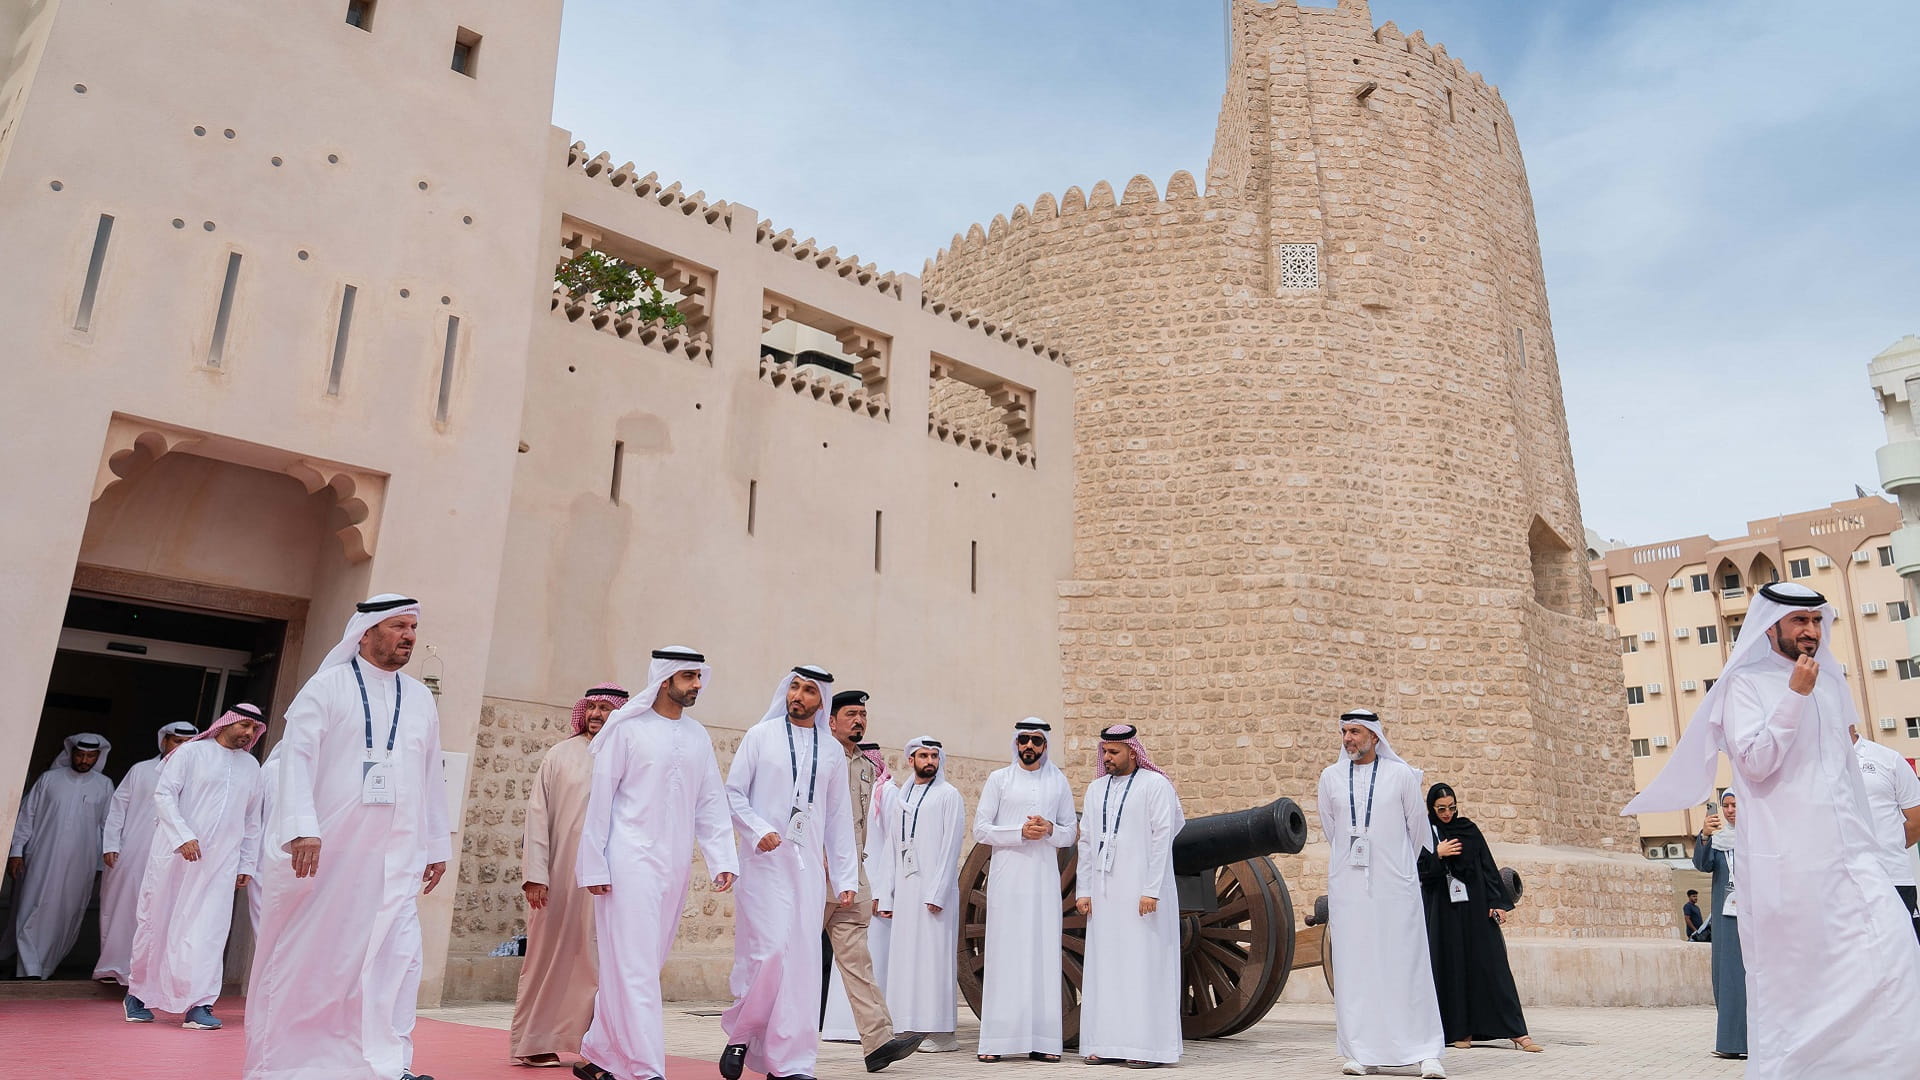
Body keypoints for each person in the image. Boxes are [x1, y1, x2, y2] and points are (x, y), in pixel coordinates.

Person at [1626, 581, 1920, 1078]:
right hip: (1790, 863)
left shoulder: (1832, 682)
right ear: (1770, 626)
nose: (1811, 631)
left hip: (1852, 857)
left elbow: (1844, 772)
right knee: (1801, 986)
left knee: (1894, 956)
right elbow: (1755, 763)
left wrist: (1869, 842)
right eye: (1799, 621)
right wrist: (1794, 696)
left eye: (1817, 620)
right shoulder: (1744, 684)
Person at [244, 594, 452, 1080]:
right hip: (331, 855)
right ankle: (294, 1064)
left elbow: (430, 775)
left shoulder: (419, 697)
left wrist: (436, 845)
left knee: (397, 960)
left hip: (397, 858)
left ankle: (390, 1064)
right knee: (319, 960)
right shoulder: (326, 688)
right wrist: (302, 828)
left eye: (412, 628)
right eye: (398, 626)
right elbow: (295, 761)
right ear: (365, 632)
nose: (409, 637)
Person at [573, 651, 739, 1080]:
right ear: (665, 680)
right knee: (636, 967)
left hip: (673, 864)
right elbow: (601, 800)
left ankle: (600, 1053)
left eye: (699, 676)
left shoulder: (698, 735)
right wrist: (594, 865)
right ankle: (645, 1069)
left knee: (640, 965)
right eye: (689, 677)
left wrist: (722, 857)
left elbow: (710, 800)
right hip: (627, 862)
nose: (697, 684)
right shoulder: (626, 729)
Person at [720, 666, 860, 1080]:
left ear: (822, 701)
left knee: (801, 964)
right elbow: (733, 794)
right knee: (768, 954)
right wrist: (757, 829)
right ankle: (742, 1034)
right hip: (763, 865)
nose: (798, 695)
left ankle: (792, 1062)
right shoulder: (759, 736)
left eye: (809, 690)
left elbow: (838, 818)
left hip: (807, 871)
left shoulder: (831, 751)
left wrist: (846, 877)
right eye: (794, 687)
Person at [1320, 710, 1445, 1079]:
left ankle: (1425, 1052)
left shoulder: (1400, 776)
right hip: (1349, 889)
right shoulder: (1330, 778)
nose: (1348, 739)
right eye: (1344, 732)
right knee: (1356, 968)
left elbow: (1417, 831)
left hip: (1395, 887)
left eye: (1355, 732)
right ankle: (1362, 1051)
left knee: (1406, 965)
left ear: (1374, 736)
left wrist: (1395, 865)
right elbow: (1332, 829)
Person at [125, 704, 266, 1029]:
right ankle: (138, 994)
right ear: (226, 723)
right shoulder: (190, 753)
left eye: (254, 729)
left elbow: (252, 819)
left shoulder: (251, 766)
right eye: (244, 725)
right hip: (176, 857)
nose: (248, 733)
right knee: (158, 922)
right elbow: (164, 796)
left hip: (221, 863)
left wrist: (246, 861)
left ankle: (199, 1004)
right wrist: (183, 836)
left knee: (210, 931)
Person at [509, 683, 627, 1068]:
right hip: (561, 877)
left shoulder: (629, 755)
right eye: (591, 707)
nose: (595, 714)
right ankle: (534, 1041)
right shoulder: (560, 755)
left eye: (605, 708)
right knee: (549, 956)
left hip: (612, 878)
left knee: (603, 961)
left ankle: (598, 1045)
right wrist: (535, 875)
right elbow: (537, 816)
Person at [820, 691, 923, 1071]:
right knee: (790, 963)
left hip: (853, 877)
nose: (859, 720)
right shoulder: (818, 758)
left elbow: (860, 825)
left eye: (863, 714)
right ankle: (751, 1037)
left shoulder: (866, 767)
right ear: (832, 721)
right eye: (851, 714)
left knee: (859, 964)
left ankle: (878, 1042)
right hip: (817, 875)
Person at [1074, 723, 1183, 1069]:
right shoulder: (1096, 789)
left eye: (1114, 752)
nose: (1106, 757)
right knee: (1106, 966)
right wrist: (1084, 889)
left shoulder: (1155, 785)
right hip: (1105, 895)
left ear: (1133, 753)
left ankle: (1147, 1048)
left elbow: (1163, 837)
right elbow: (1087, 841)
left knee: (1143, 965)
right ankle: (1105, 1043)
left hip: (1142, 894)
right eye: (1104, 751)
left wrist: (1152, 889)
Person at [972, 719, 1076, 1063]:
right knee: (1004, 955)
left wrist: (1049, 829)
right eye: (1024, 740)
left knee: (1042, 955)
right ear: (1016, 743)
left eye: (1036, 740)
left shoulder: (1058, 782)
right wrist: (1019, 832)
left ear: (1045, 746)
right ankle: (996, 1042)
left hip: (1043, 882)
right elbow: (980, 829)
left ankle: (1043, 1042)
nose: (1029, 746)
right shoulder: (999, 780)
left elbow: (1070, 832)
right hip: (1007, 881)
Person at [1417, 783, 1540, 1054]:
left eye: (1451, 807)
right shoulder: (1424, 833)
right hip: (1443, 912)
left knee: (1492, 964)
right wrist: (1438, 855)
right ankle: (1461, 1031)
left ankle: (1518, 1032)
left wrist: (1497, 903)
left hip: (1475, 908)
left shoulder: (1468, 830)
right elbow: (1417, 871)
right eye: (1441, 809)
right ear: (1431, 808)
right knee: (1453, 966)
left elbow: (1487, 866)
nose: (1447, 813)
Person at [871, 736, 965, 1054]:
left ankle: (941, 1033)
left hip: (934, 896)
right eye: (923, 756)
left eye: (934, 756)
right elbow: (891, 849)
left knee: (934, 960)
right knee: (906, 959)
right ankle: (907, 1026)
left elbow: (951, 847)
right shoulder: (902, 797)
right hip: (906, 893)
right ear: (911, 760)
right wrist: (885, 895)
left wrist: (937, 892)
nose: (930, 761)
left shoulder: (949, 795)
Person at [96, 720, 199, 984]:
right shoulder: (141, 770)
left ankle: (145, 976)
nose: (181, 747)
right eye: (177, 741)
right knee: (122, 909)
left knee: (160, 913)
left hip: (171, 856)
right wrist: (111, 844)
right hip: (133, 851)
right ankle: (114, 968)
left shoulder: (197, 775)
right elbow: (117, 808)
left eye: (187, 743)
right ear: (164, 741)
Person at [5, 733, 114, 978]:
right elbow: (27, 816)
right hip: (41, 858)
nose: (84, 760)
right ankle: (28, 970)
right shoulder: (49, 779)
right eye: (80, 754)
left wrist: (100, 865)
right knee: (31, 908)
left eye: (90, 756)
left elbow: (107, 827)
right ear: (71, 753)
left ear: (98, 757)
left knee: (66, 914)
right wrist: (16, 851)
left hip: (81, 863)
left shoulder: (104, 785)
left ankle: (44, 969)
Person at [1851, 724, 1920, 940]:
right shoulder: (1813, 764)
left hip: (1893, 878)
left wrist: (1886, 846)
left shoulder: (1887, 759)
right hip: (1840, 886)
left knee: (1905, 952)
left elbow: (1916, 821)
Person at [1691, 790, 1745, 1060]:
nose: (1730, 810)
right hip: (1727, 919)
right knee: (1727, 976)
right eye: (1726, 805)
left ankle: (1759, 1040)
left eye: (1736, 804)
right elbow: (1702, 864)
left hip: (1755, 915)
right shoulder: (1719, 840)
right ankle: (1732, 1043)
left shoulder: (1759, 838)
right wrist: (1704, 836)